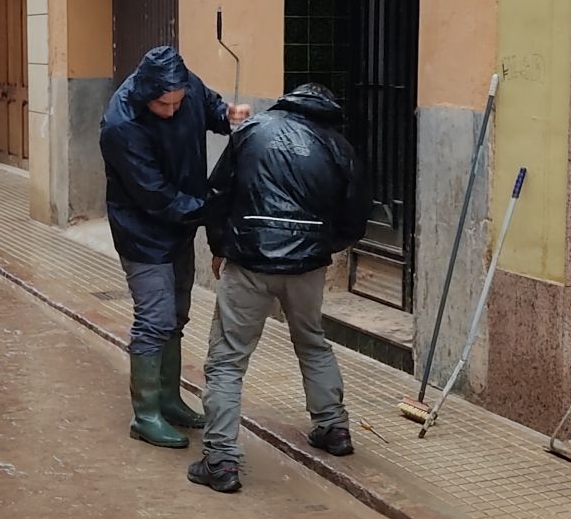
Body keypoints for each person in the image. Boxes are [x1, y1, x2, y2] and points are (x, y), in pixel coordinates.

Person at [188, 83, 372, 494]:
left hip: (249, 261)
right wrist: (322, 247)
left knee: (227, 360)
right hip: (306, 266)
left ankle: (220, 460)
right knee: (312, 341)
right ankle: (334, 428)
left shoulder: (253, 130)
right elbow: (356, 217)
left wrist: (220, 248)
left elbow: (217, 194)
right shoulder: (340, 147)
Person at [99, 44, 248, 449]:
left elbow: (210, 107)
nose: (172, 110)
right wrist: (209, 210)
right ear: (147, 94)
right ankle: (145, 415)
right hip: (143, 232)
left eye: (178, 102)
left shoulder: (186, 89)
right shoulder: (121, 124)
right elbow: (156, 195)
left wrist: (227, 115)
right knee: (154, 318)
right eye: (164, 105)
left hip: (182, 226)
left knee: (177, 315)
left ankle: (169, 398)